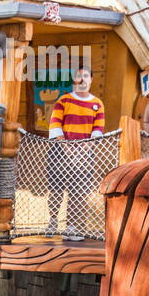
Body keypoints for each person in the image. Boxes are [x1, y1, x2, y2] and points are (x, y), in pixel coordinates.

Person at [47, 68, 105, 239]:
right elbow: (55, 123)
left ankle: (70, 228)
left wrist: (86, 146)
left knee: (78, 191)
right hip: (60, 149)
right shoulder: (64, 100)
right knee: (56, 188)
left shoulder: (97, 104)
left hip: (84, 152)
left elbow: (98, 129)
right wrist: (65, 145)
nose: (82, 79)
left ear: (91, 79)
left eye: (85, 76)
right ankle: (52, 222)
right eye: (79, 76)